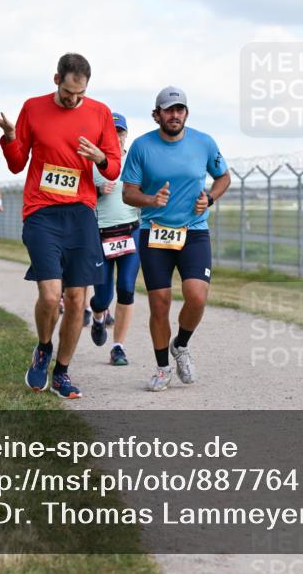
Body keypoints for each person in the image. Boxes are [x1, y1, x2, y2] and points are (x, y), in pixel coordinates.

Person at [0, 52, 121, 399]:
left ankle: (61, 371)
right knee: (50, 294)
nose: (74, 100)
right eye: (69, 92)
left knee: (77, 299)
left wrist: (101, 158)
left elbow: (113, 169)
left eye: (81, 94)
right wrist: (10, 135)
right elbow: (16, 165)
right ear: (56, 79)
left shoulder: (100, 113)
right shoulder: (33, 108)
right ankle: (44, 347)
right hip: (41, 212)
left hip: (80, 213)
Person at [122, 87, 231, 391]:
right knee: (160, 303)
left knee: (197, 296)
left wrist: (209, 199)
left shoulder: (204, 142)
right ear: (157, 114)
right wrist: (150, 199)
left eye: (179, 109)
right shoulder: (142, 147)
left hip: (194, 231)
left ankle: (180, 345)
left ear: (186, 113)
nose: (174, 115)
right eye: (168, 110)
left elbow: (224, 177)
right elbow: (128, 192)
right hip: (155, 232)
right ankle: (161, 368)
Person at [89, 112, 141, 366]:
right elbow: (77, 195)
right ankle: (98, 316)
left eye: (120, 132)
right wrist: (97, 190)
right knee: (102, 297)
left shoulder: (134, 161)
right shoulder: (90, 162)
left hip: (131, 232)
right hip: (101, 235)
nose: (116, 137)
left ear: (125, 134)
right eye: (111, 131)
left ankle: (118, 347)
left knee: (127, 289)